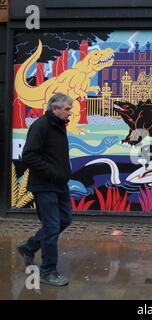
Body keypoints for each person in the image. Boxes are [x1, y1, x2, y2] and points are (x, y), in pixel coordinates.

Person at [17, 93, 73, 286]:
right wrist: (52, 173)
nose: (70, 112)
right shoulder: (40, 126)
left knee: (65, 219)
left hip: (59, 184)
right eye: (66, 109)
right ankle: (48, 271)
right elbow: (29, 156)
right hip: (44, 185)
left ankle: (29, 246)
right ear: (54, 108)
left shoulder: (59, 126)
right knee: (51, 227)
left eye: (69, 109)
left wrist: (62, 174)